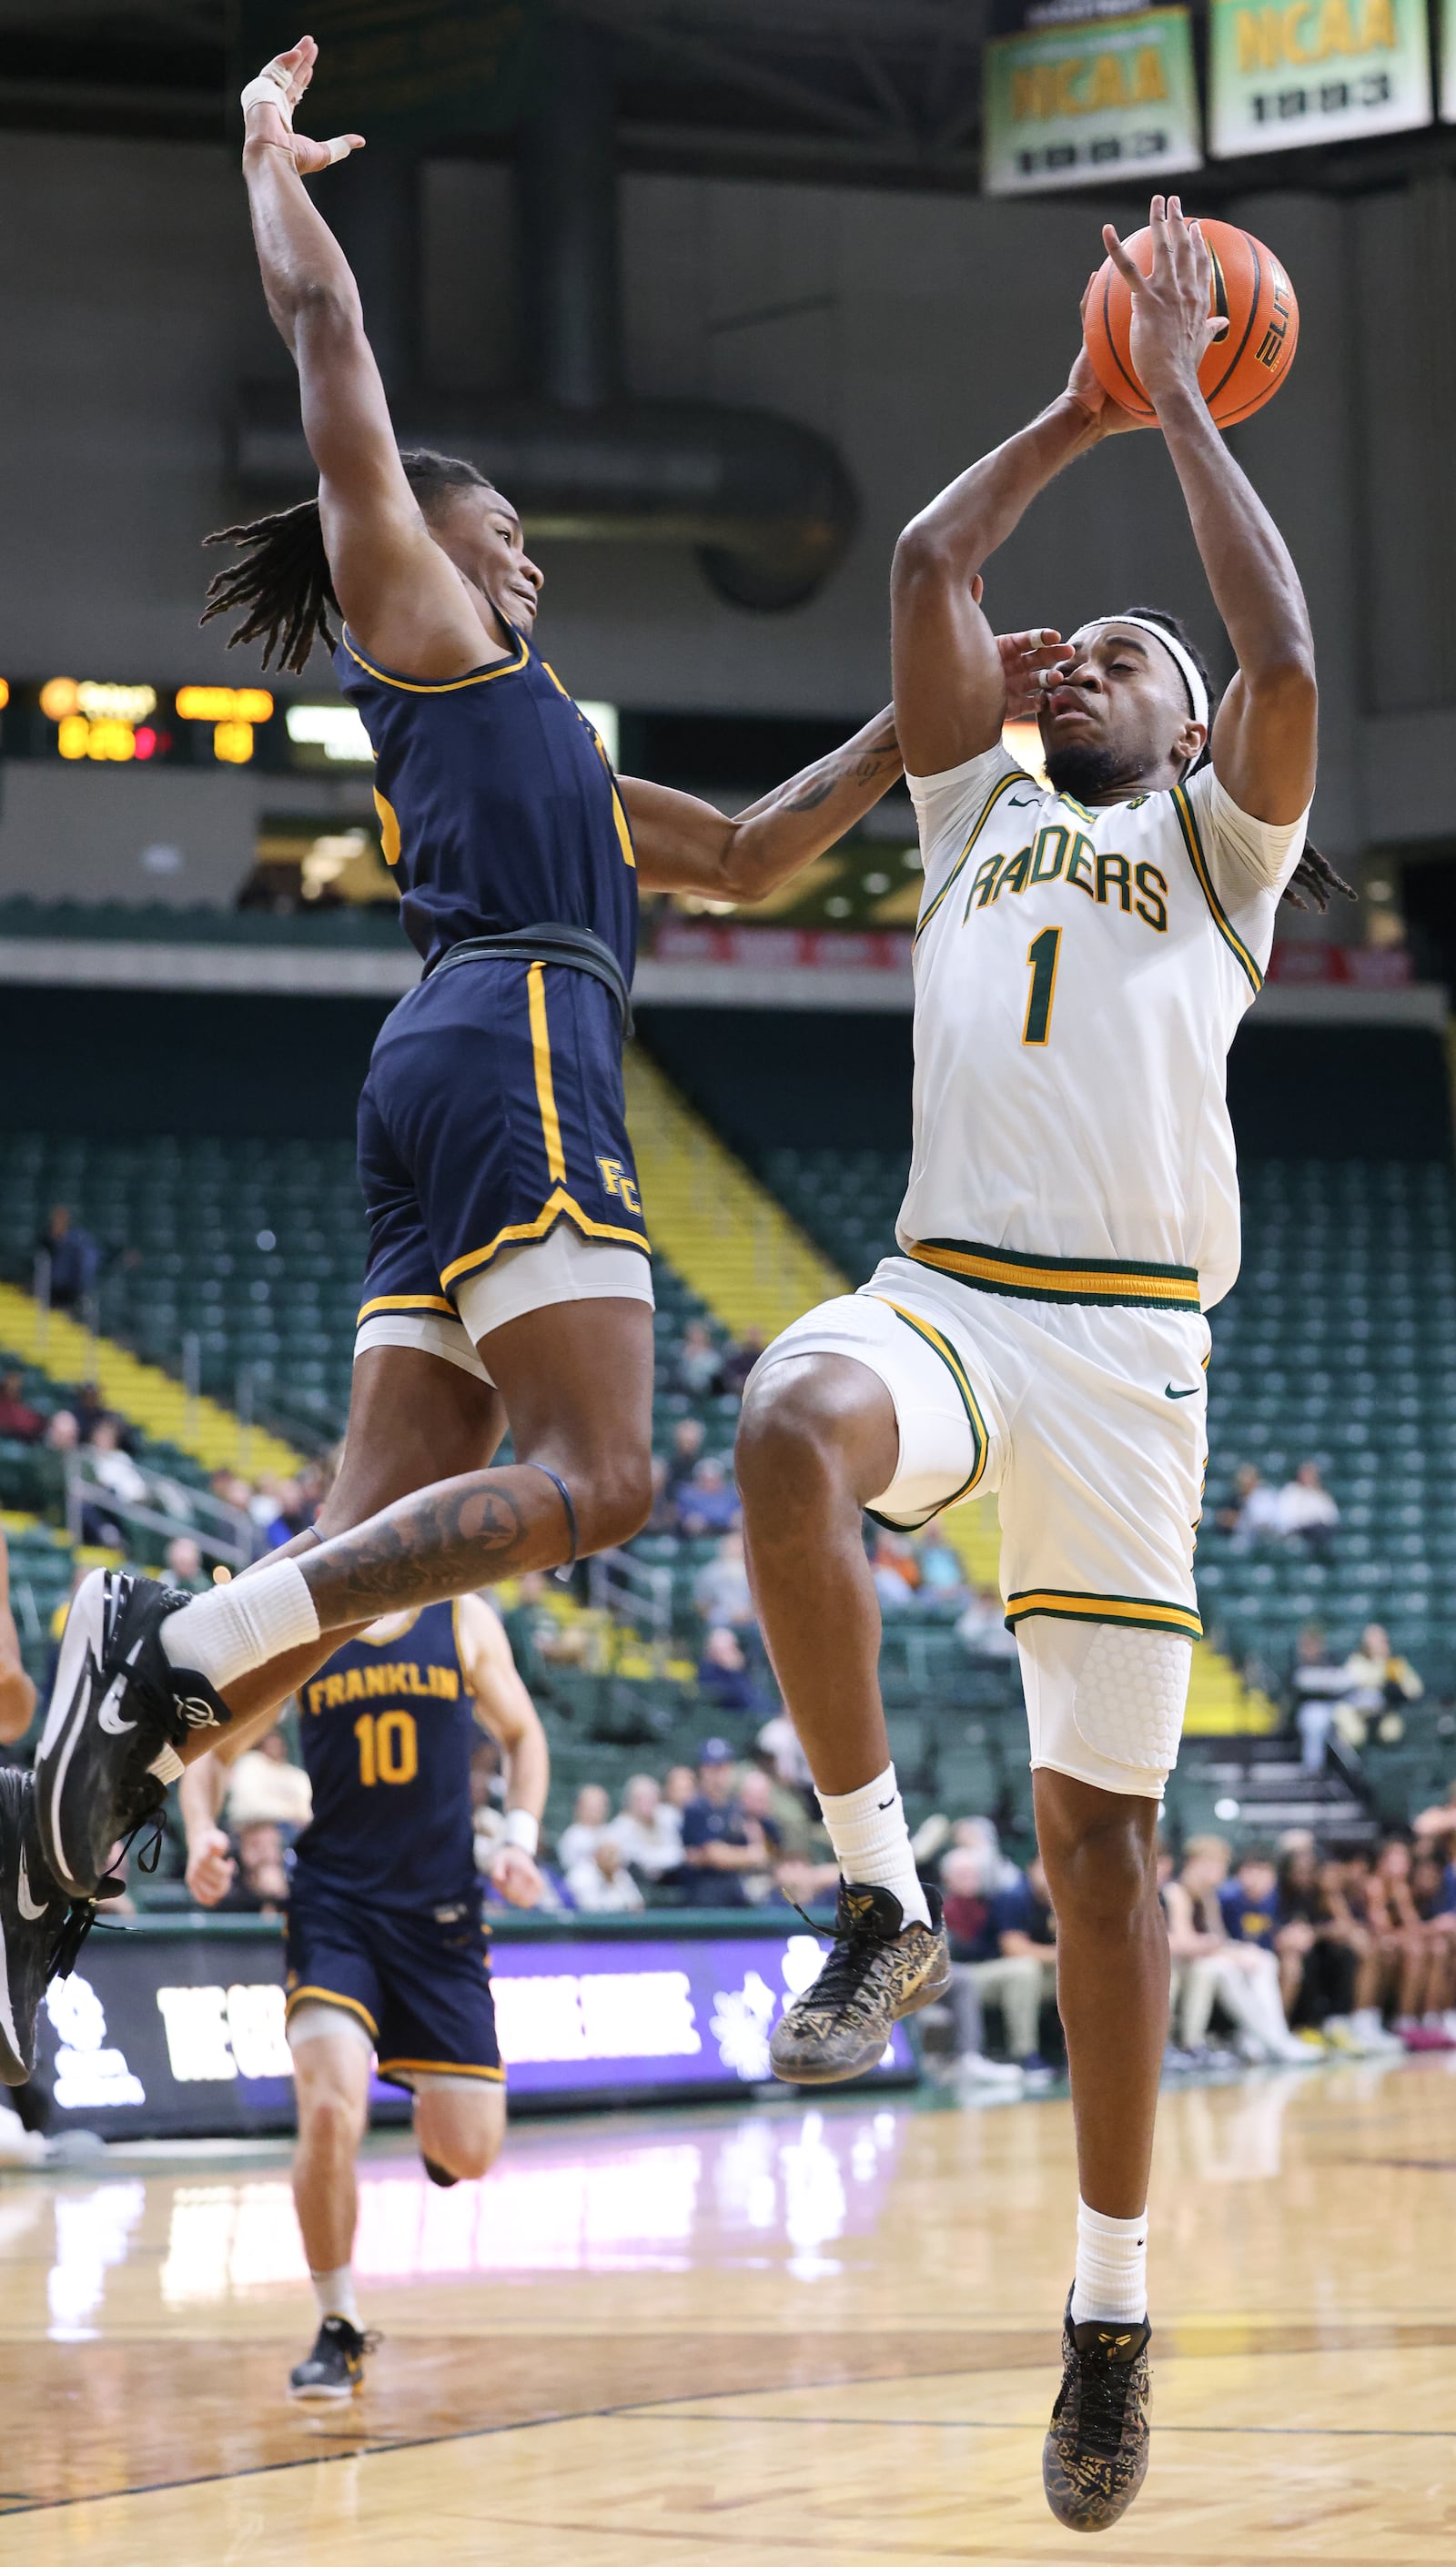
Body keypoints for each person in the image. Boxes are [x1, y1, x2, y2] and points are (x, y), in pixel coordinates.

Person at [38, 30, 1060, 1978]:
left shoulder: (550, 758)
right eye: (500, 528)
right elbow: (332, 340)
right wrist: (265, 154)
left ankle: (50, 1844)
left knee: (347, 1563)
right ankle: (158, 1643)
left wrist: (944, 708)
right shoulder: (420, 630)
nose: (523, 549)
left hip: (443, 1063)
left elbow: (759, 850)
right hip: (511, 1031)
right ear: (438, 553)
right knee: (608, 1481)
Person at [734, 196, 1341, 2531]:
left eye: (1118, 655)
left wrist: (1181, 395)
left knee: (1105, 1857)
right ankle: (875, 1891)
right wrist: (1077, 411)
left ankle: (1107, 2313)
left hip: (1125, 1371)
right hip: (947, 1298)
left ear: (1181, 733)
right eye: (1064, 647)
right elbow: (914, 568)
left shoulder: (1217, 855)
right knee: (788, 1422)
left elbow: (1278, 647)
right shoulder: (974, 803)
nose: (1072, 657)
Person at [180, 1590, 547, 2400]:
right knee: (328, 2108)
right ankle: (338, 2322)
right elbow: (208, 1750)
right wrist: (203, 1830)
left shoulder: (463, 1617)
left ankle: (430, 2107)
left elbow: (524, 1734)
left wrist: (519, 1837)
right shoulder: (309, 1628)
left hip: (440, 1913)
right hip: (334, 1906)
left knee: (470, 2152)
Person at [1163, 1839, 1316, 2068]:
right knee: (1220, 1969)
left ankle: (1272, 2036)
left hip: (1198, 1958)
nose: (1224, 1872)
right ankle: (1270, 2041)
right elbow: (1184, 1943)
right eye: (1219, 1865)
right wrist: (1225, 1951)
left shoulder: (1207, 1896)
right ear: (1198, 1863)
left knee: (1263, 1960)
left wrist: (1235, 1952)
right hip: (1178, 1962)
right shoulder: (1176, 1892)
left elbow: (1218, 1938)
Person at [678, 1742, 767, 1908]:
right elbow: (715, 1855)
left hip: (736, 1890)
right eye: (713, 1767)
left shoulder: (735, 1807)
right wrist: (747, 1856)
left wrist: (731, 1855)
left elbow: (760, 1853)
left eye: (724, 1766)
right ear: (703, 1770)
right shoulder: (696, 1807)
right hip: (704, 1892)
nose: (719, 1774)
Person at [225, 1723, 314, 1834]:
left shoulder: (294, 1774)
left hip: (294, 1828)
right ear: (262, 1745)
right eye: (270, 1743)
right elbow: (249, 1806)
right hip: (255, 1828)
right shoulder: (250, 1763)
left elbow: (308, 1808)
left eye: (277, 1743)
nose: (274, 1747)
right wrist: (290, 1812)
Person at [604, 1774, 682, 1888]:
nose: (647, 1803)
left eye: (651, 1798)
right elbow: (637, 1860)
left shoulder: (669, 1816)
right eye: (641, 1799)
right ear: (630, 1801)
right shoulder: (620, 1827)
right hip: (637, 1884)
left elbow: (678, 1853)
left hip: (671, 1878)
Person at [697, 1624, 771, 1718]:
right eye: (730, 1648)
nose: (735, 1652)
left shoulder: (736, 1669)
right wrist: (733, 1671)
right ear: (714, 1651)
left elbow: (755, 1694)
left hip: (762, 1713)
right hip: (739, 1719)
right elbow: (741, 1698)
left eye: (735, 1647)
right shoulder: (708, 1672)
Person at [1274, 1460, 1339, 1562]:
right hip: (1296, 1532)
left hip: (1318, 1531)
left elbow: (1331, 1517)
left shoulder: (1321, 1494)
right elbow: (1285, 1519)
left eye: (1312, 1475)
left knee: (1322, 1532)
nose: (1309, 1477)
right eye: (1306, 1474)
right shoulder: (1290, 1491)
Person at [565, 1832, 644, 1915]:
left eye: (617, 1855)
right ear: (596, 1854)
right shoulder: (581, 1874)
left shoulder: (619, 1873)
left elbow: (638, 1904)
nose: (615, 1860)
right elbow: (590, 1910)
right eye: (611, 1855)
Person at [36, 1206, 98, 1312]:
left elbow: (89, 1262)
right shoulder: (43, 1240)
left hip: (70, 1291)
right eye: (56, 1220)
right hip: (50, 1292)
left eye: (61, 1220)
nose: (58, 1223)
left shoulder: (76, 1242)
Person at [692, 1530, 755, 1631]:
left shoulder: (754, 1573)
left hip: (751, 1622)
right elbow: (700, 1604)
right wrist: (725, 1615)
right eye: (731, 1545)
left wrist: (748, 1614)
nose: (735, 1549)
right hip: (720, 1622)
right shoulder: (710, 1572)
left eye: (739, 1545)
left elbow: (759, 1602)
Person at [1215, 1462, 1283, 1550]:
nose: (1244, 1484)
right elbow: (1221, 1518)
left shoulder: (1264, 1496)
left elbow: (1263, 1523)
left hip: (1264, 1540)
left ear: (1255, 1480)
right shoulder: (1233, 1498)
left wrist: (1237, 1520)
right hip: (1240, 1540)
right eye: (1241, 1480)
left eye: (1247, 1480)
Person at [676, 1458, 741, 1540]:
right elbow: (684, 1514)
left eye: (715, 1480)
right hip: (701, 1533)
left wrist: (737, 1516)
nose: (711, 1483)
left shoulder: (731, 1493)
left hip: (729, 1532)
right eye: (707, 1480)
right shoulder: (688, 1495)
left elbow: (738, 1511)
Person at [557, 1783, 611, 1875]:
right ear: (580, 1807)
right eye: (592, 1806)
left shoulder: (610, 1833)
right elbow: (571, 1872)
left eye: (600, 1806)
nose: (597, 1811)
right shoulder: (572, 1837)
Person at [0, 1371, 43, 1444]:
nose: (13, 1387)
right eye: (9, 1385)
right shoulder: (4, 1405)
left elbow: (33, 1425)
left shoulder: (24, 1409)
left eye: (17, 1385)